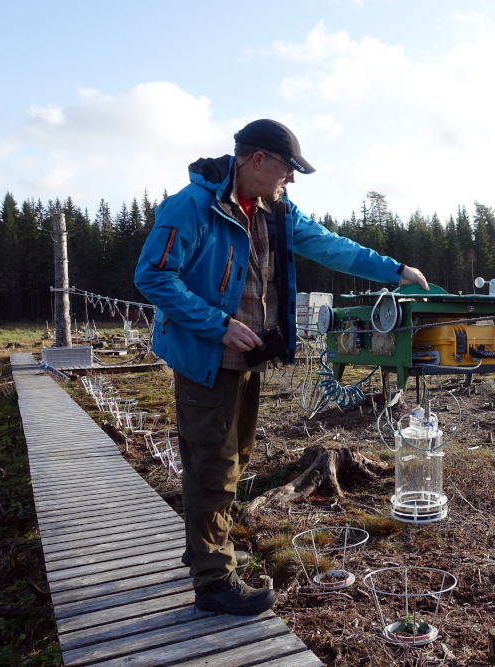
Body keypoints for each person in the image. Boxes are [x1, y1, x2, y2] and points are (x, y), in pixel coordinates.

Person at [134, 119, 428, 616]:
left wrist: (395, 270)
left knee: (234, 458)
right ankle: (213, 584)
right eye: (287, 170)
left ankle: (209, 551)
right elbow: (153, 275)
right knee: (213, 465)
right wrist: (216, 324)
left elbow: (331, 245)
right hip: (209, 356)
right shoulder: (193, 206)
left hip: (249, 356)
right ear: (257, 161)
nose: (289, 180)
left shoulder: (276, 211)